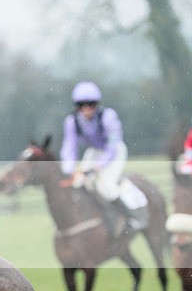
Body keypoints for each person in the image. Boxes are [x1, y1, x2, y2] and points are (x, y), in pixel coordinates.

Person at [59, 81, 147, 230]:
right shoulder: (71, 121)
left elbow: (112, 146)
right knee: (79, 183)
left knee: (105, 185)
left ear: (97, 104)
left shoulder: (108, 116)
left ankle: (132, 216)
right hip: (94, 151)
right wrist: (68, 169)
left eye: (91, 104)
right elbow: (69, 147)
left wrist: (98, 166)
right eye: (81, 105)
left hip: (114, 152)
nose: (86, 109)